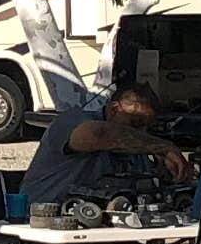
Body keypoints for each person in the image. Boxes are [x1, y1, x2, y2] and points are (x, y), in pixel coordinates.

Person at [16, 80, 191, 218]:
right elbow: (97, 134)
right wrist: (161, 147)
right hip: (42, 228)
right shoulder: (71, 121)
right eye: (136, 124)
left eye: (147, 127)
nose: (142, 133)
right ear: (115, 110)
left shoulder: (138, 148)